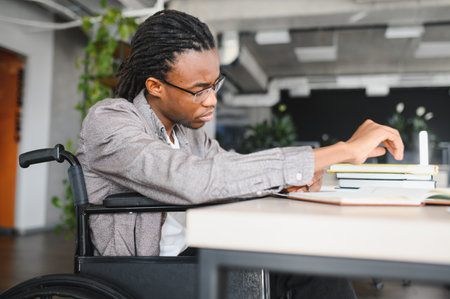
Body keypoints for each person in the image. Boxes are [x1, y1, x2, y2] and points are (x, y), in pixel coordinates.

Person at [76, 9, 404, 298]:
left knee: (311, 255)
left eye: (214, 84)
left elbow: (231, 166)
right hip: (154, 270)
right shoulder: (109, 122)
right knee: (307, 263)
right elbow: (196, 181)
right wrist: (342, 150)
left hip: (200, 249)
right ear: (155, 86)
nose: (211, 100)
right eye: (198, 90)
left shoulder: (189, 135)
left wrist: (293, 178)